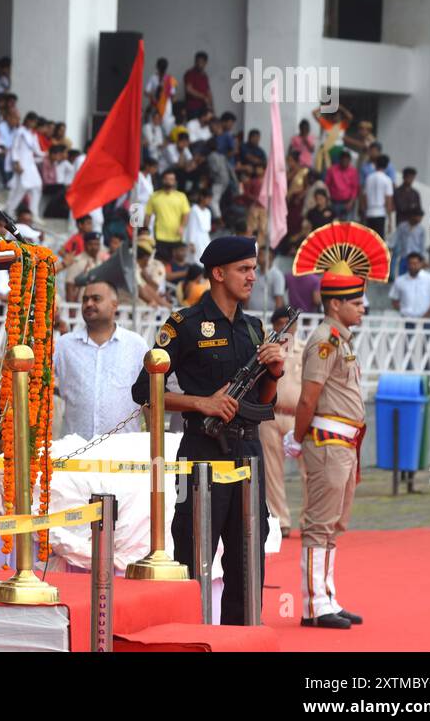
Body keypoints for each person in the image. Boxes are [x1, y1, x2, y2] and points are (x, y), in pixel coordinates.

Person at [131, 236, 285, 625]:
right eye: (243, 270)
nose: (253, 277)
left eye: (253, 268)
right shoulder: (184, 325)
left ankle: (244, 638)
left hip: (249, 455)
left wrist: (275, 372)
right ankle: (188, 635)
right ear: (218, 274)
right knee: (194, 552)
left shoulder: (253, 328)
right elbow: (144, 392)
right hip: (201, 454)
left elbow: (263, 401)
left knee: (248, 555)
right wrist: (201, 403)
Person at [293, 262, 375, 629]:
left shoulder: (340, 339)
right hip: (327, 441)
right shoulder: (325, 341)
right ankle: (314, 605)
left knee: (334, 524)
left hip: (343, 443)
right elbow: (308, 398)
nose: (362, 307)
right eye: (356, 301)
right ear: (335, 304)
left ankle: (326, 596)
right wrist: (297, 437)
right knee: (319, 525)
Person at [53, 279, 149, 439]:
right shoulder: (64, 345)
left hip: (123, 453)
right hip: (75, 451)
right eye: (85, 300)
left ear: (114, 305)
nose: (89, 303)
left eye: (96, 299)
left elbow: (148, 397)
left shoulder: (136, 344)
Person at [261, 306, 304, 536]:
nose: (287, 327)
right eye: (281, 323)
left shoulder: (306, 350)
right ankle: (280, 521)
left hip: (299, 415)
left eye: (291, 322)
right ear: (275, 325)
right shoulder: (266, 350)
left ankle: (310, 519)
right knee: (272, 471)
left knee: (310, 470)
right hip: (271, 414)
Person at [4, 111, 44, 217]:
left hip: (30, 165)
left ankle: (33, 213)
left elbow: (37, 151)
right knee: (20, 190)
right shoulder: (20, 132)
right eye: (33, 122)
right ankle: (10, 212)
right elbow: (14, 148)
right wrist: (16, 163)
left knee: (37, 186)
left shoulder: (32, 134)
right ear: (28, 120)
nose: (34, 124)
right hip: (21, 165)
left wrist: (46, 155)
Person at [144, 170, 190, 261]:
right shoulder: (154, 196)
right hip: (160, 237)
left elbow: (186, 214)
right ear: (163, 180)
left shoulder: (181, 196)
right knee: (161, 262)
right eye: (167, 179)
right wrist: (145, 230)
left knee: (175, 263)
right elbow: (148, 215)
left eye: (171, 179)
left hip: (176, 237)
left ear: (175, 181)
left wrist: (182, 226)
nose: (169, 181)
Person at [390, 253, 430, 322]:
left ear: (421, 264)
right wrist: (403, 313)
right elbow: (394, 300)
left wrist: (428, 314)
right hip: (406, 320)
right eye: (410, 263)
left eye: (415, 263)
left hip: (426, 320)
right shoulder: (400, 280)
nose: (412, 266)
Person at [362, 154, 394, 238]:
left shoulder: (369, 178)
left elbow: (364, 197)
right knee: (379, 241)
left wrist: (364, 212)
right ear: (387, 166)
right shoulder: (387, 180)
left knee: (368, 240)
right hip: (380, 213)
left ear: (376, 164)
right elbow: (388, 200)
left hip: (369, 212)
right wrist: (390, 220)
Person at [250, 245, 286, 315]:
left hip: (268, 316)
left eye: (260, 254)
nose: (257, 257)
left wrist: (275, 318)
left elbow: (279, 299)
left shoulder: (277, 275)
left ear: (270, 257)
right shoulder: (254, 272)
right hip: (251, 314)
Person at [325, 151, 359, 221]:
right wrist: (327, 200)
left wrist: (351, 202)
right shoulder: (332, 170)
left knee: (345, 225)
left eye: (347, 161)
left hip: (347, 203)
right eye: (343, 160)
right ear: (340, 160)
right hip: (333, 202)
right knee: (332, 224)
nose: (345, 162)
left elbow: (355, 188)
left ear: (350, 161)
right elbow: (326, 185)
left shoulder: (353, 171)